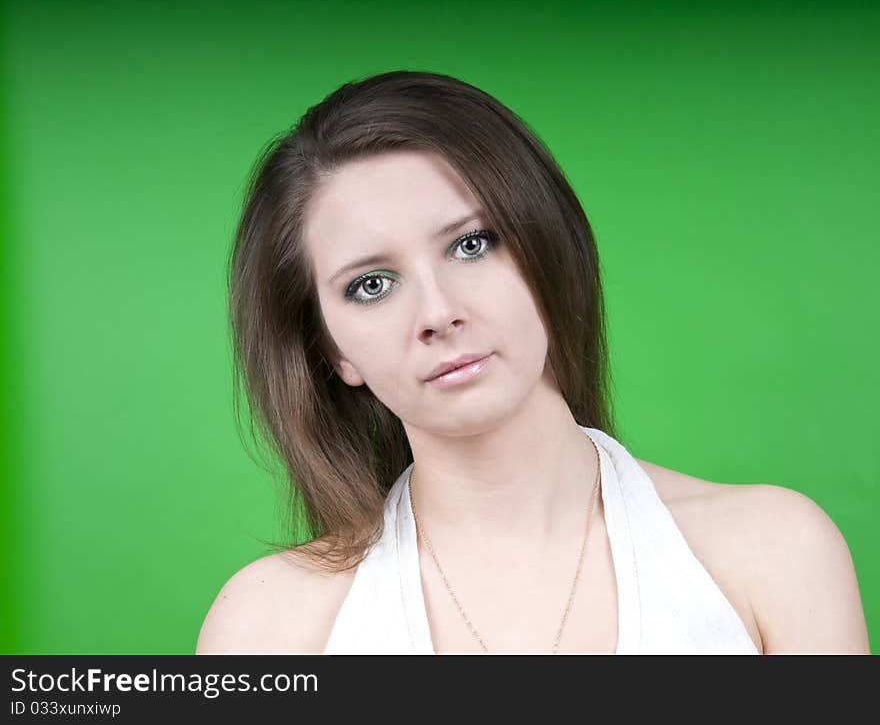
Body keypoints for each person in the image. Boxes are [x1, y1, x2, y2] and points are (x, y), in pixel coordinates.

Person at [196, 70, 869, 654]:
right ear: (332, 349)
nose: (437, 311)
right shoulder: (269, 626)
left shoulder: (774, 554)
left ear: (548, 251)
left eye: (471, 244)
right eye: (371, 284)